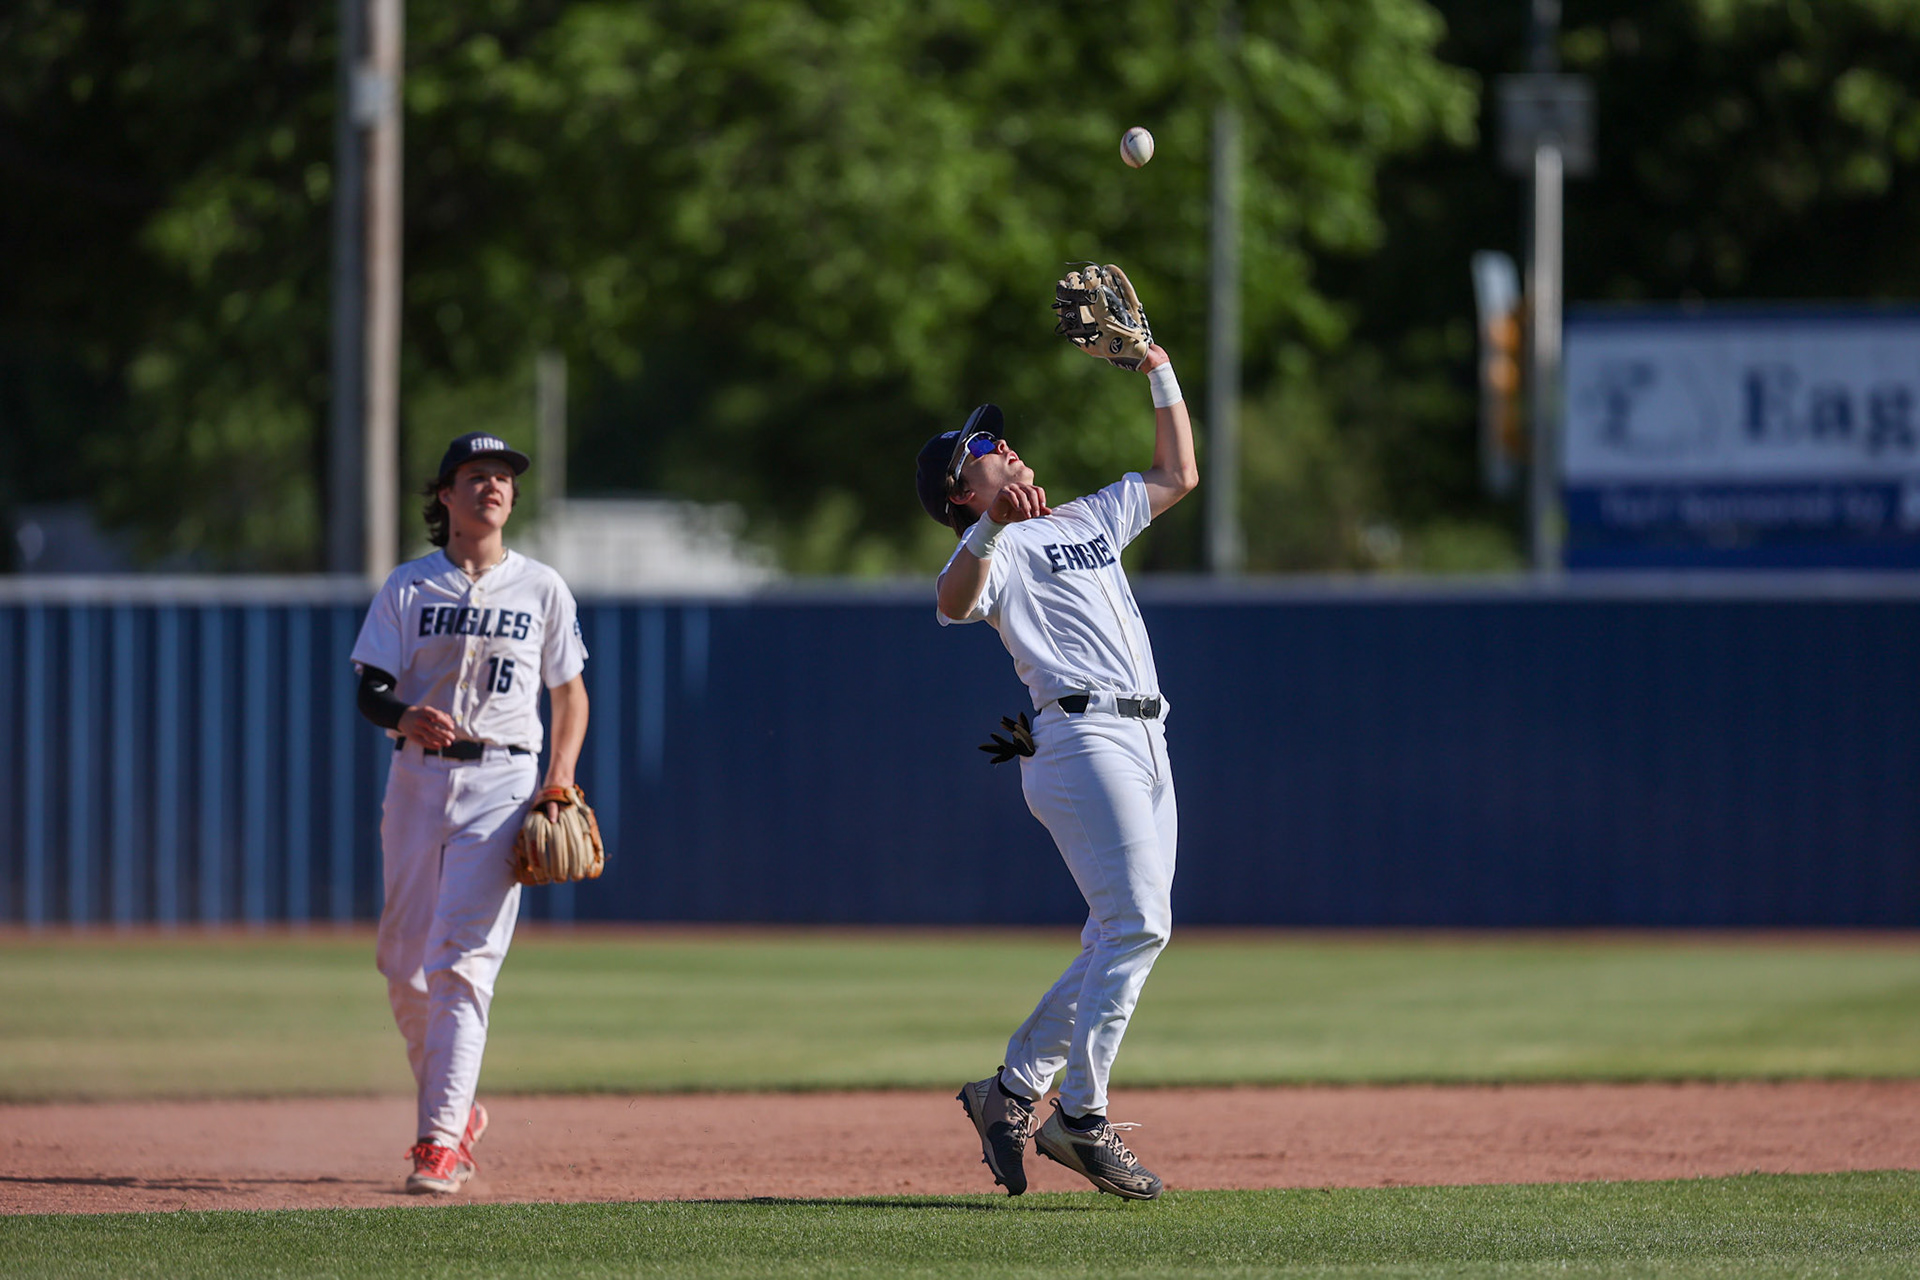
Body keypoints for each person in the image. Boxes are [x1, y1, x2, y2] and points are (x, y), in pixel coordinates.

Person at [917, 342, 1197, 1200]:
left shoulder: (1086, 516)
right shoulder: (990, 548)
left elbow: (1177, 472)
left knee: (1119, 935)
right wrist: (992, 526)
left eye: (996, 441)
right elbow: (951, 602)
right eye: (984, 450)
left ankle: (1006, 1094)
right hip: (1080, 742)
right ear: (963, 492)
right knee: (1141, 925)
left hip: (1149, 742)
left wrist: (1157, 365)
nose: (1004, 447)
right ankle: (1080, 1117)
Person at [349, 431, 589, 1195]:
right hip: (417, 782)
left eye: (503, 479)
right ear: (446, 497)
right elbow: (369, 690)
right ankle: (458, 1105)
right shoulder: (410, 587)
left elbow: (569, 695)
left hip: (505, 784)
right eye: (475, 475)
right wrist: (402, 717)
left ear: (512, 500)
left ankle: (439, 1140)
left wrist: (558, 779)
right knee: (402, 967)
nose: (492, 486)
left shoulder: (542, 587)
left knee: (460, 963)